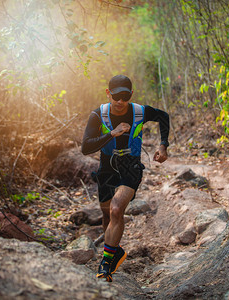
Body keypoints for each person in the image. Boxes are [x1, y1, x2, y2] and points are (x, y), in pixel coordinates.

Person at [81, 75, 170, 282]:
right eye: (115, 96)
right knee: (107, 215)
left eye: (124, 96)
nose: (120, 101)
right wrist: (112, 133)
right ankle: (115, 251)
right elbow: (86, 147)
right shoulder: (98, 115)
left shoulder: (140, 111)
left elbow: (163, 116)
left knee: (116, 209)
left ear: (131, 95)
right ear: (107, 93)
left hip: (130, 167)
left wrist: (163, 145)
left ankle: (105, 265)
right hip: (106, 169)